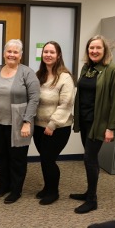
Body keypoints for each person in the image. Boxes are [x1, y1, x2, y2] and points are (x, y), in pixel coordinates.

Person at [70, 35, 115, 214]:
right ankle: (89, 192)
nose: (94, 51)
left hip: (98, 123)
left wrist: (111, 127)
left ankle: (92, 199)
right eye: (91, 48)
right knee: (91, 159)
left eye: (98, 48)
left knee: (89, 159)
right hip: (85, 121)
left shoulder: (113, 70)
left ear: (105, 50)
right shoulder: (87, 68)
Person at [0, 39, 40, 204]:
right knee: (0, 156)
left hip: (18, 124)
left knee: (17, 158)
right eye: (9, 51)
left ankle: (16, 190)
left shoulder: (27, 72)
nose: (12, 54)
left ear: (21, 55)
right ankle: (4, 185)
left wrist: (27, 121)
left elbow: (34, 98)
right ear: (4, 54)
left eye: (15, 52)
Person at [33, 41, 74, 205]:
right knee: (44, 158)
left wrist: (52, 125)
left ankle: (53, 192)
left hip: (57, 128)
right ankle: (47, 187)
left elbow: (66, 104)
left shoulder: (65, 77)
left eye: (52, 52)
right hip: (38, 126)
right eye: (45, 52)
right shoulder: (39, 76)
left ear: (58, 56)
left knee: (49, 159)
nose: (48, 55)